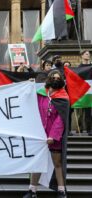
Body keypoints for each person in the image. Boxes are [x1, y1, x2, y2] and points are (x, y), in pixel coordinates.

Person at [23, 70, 69, 198]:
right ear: (48, 79)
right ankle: (32, 190)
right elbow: (28, 101)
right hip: (40, 135)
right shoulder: (41, 93)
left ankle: (61, 190)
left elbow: (61, 120)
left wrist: (53, 136)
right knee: (37, 163)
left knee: (57, 163)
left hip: (54, 137)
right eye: (53, 77)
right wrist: (29, 86)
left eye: (58, 77)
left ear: (61, 80)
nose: (55, 79)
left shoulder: (63, 97)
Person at [77, 50, 92, 135]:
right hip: (82, 91)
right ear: (82, 56)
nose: (88, 55)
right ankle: (81, 128)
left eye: (89, 54)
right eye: (86, 54)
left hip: (91, 91)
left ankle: (89, 129)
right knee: (81, 112)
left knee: (89, 111)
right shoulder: (79, 67)